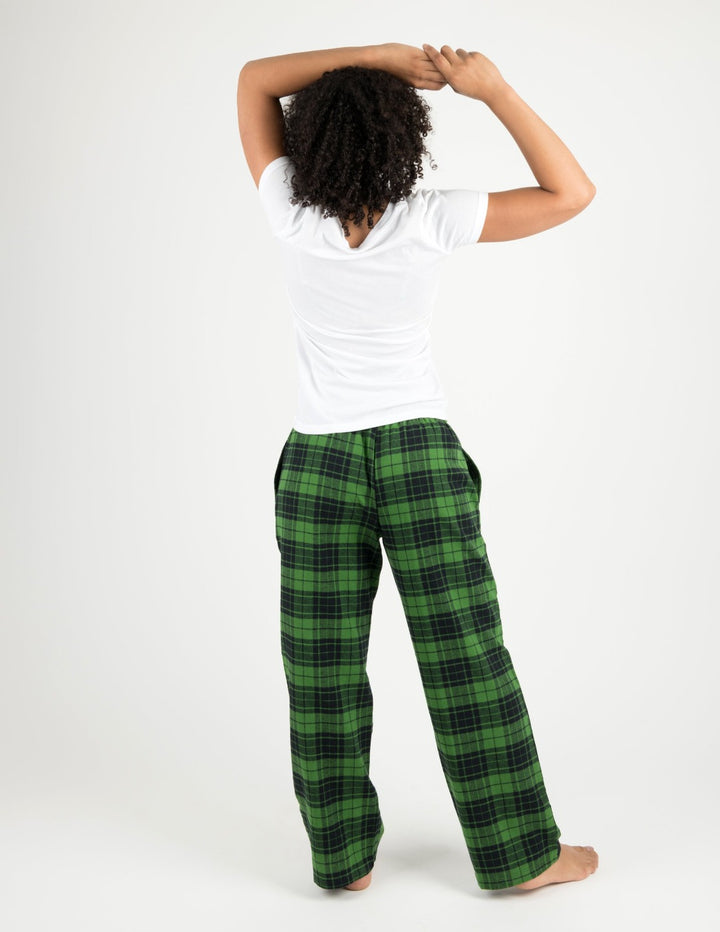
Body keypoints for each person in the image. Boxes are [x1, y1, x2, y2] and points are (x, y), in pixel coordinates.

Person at [236, 41, 599, 893]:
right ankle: (521, 855)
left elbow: (254, 80)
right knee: (466, 652)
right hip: (418, 459)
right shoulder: (429, 217)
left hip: (318, 462)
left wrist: (380, 57)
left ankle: (342, 859)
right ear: (406, 139)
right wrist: (492, 88)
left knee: (320, 665)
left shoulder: (288, 207)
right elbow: (571, 192)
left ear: (310, 139)